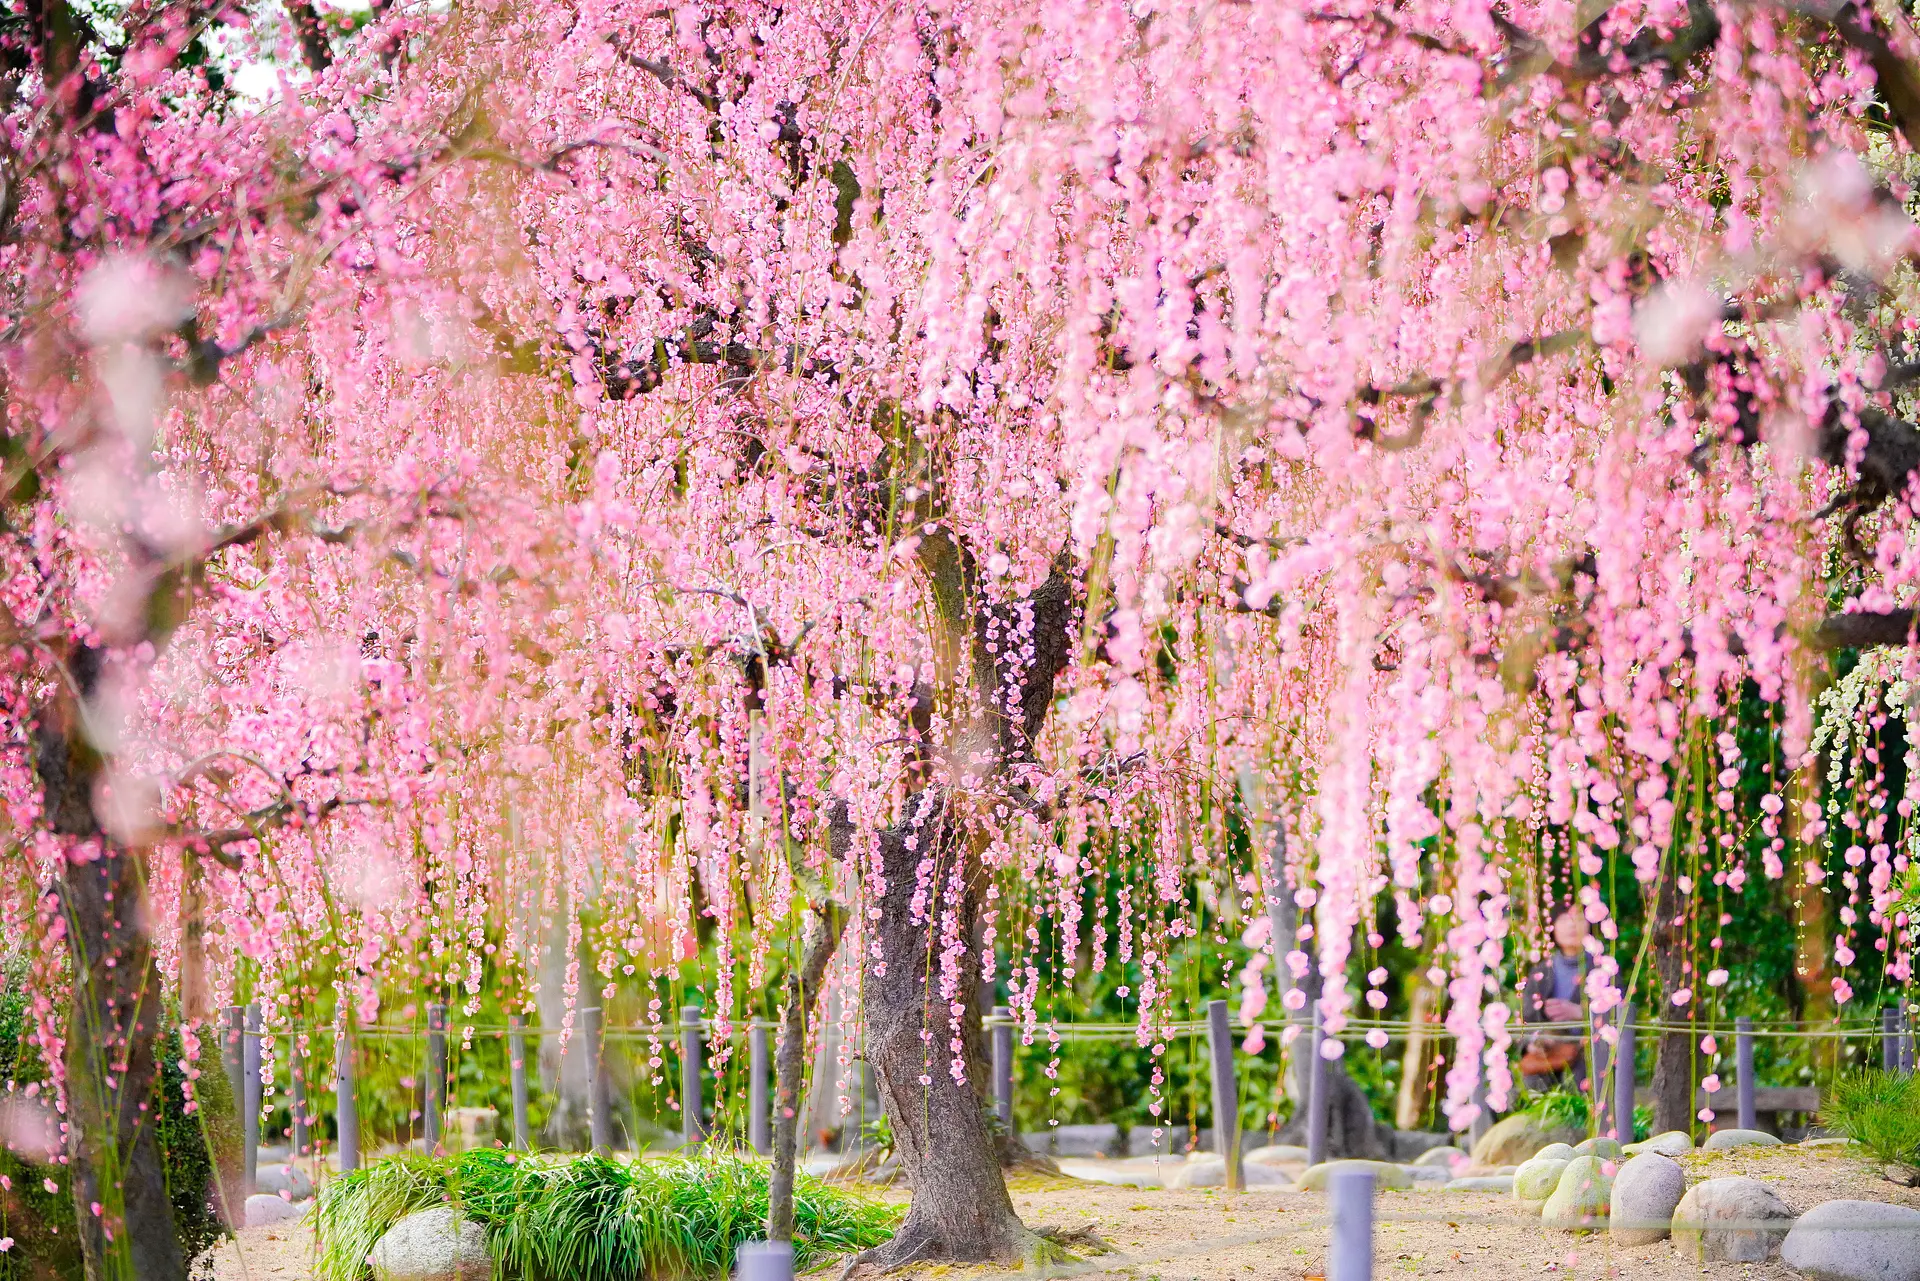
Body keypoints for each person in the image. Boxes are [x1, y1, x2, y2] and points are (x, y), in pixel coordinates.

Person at [1518, 903, 1592, 1093]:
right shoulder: (1540, 971)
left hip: (1590, 1059)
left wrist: (1580, 1013)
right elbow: (1527, 1019)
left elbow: (1620, 1013)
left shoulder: (1603, 968)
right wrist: (1536, 1041)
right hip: (1548, 1058)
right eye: (1564, 920)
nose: (1572, 925)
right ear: (1553, 927)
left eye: (1578, 919)